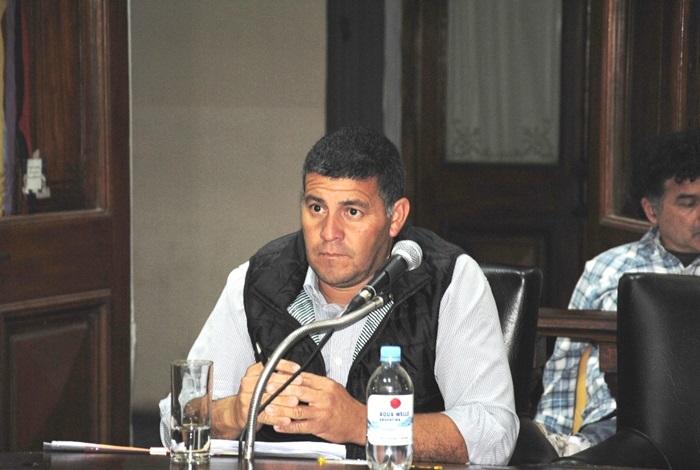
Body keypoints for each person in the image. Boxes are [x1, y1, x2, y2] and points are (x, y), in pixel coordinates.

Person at [158, 126, 518, 464]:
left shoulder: (449, 281)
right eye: (316, 208)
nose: (329, 232)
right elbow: (173, 422)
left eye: (352, 211)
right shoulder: (257, 281)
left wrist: (362, 423)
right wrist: (235, 411)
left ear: (395, 217)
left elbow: (494, 432)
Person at [535, 127, 700, 456]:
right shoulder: (607, 269)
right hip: (616, 426)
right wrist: (549, 444)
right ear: (652, 211)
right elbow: (566, 364)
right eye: (689, 203)